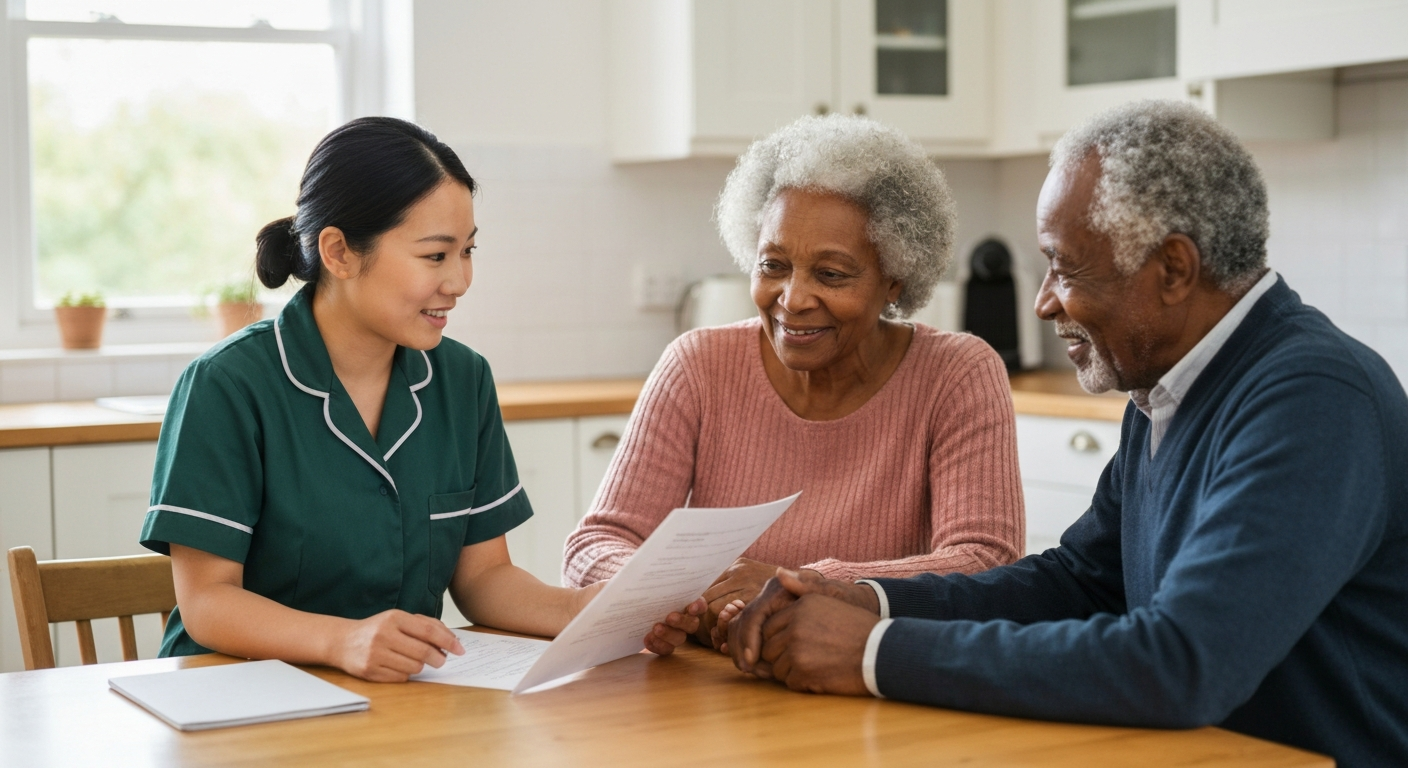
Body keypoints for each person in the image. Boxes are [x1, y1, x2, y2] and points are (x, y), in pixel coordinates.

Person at [719, 100, 1408, 767]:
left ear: (1173, 269)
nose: (1044, 301)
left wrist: (872, 651)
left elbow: (1182, 663)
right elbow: (1080, 583)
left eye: (1065, 266)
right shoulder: (1167, 386)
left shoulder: (1315, 397)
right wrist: (868, 599)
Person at [139, 117, 699, 682]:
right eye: (435, 256)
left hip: (395, 699)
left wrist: (584, 609)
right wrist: (343, 640)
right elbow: (207, 601)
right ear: (339, 252)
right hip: (235, 694)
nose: (459, 281)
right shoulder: (227, 385)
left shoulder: (462, 379)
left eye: (468, 251)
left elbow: (484, 578)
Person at [562, 114, 1025, 640]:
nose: (793, 299)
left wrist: (802, 586)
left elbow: (986, 562)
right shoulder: (698, 364)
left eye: (831, 274)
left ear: (895, 279)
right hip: (711, 676)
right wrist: (687, 597)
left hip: (870, 669)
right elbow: (596, 544)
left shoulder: (957, 374)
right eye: (773, 266)